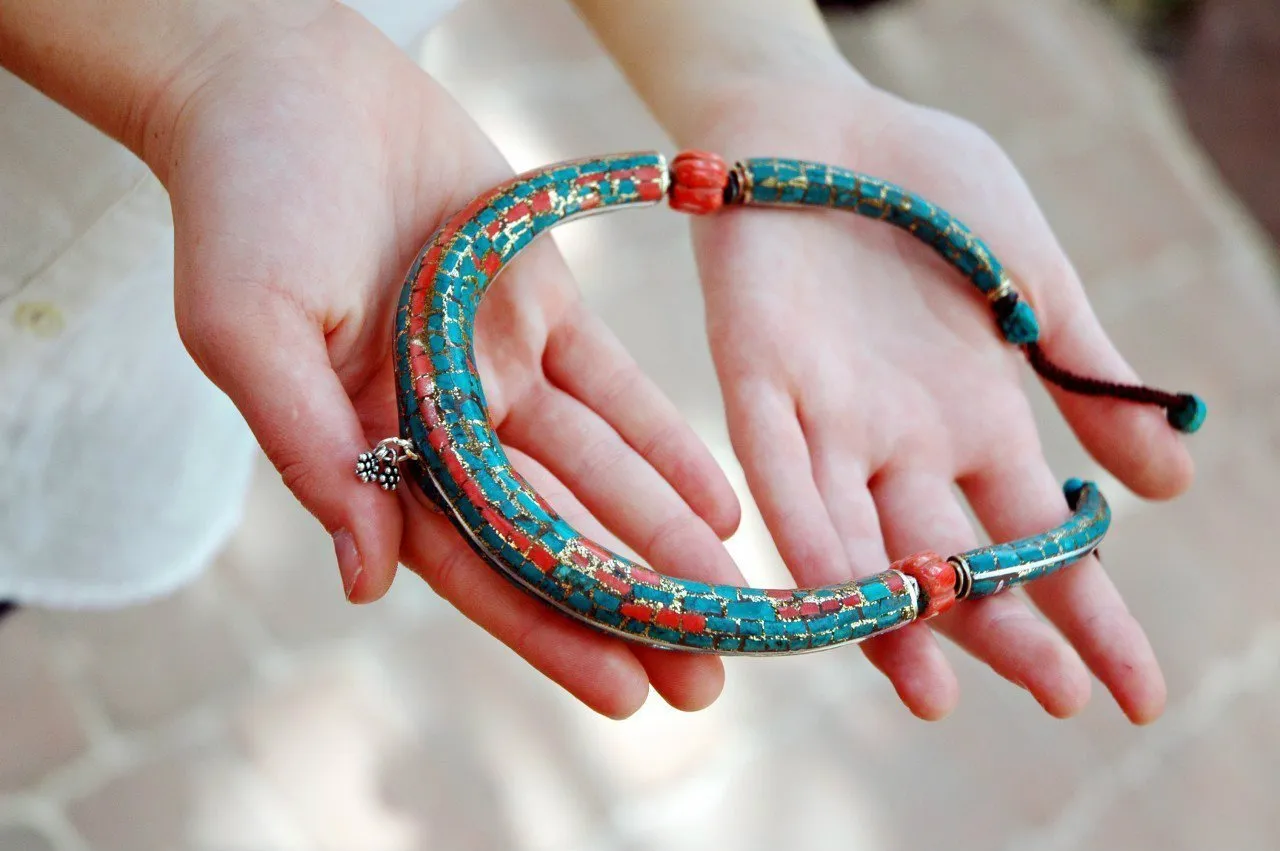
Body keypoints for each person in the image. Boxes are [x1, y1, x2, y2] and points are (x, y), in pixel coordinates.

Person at [0, 0, 1194, 723]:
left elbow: (389, 453)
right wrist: (211, 50)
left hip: (113, 391)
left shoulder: (403, 416)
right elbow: (386, 454)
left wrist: (764, 69)